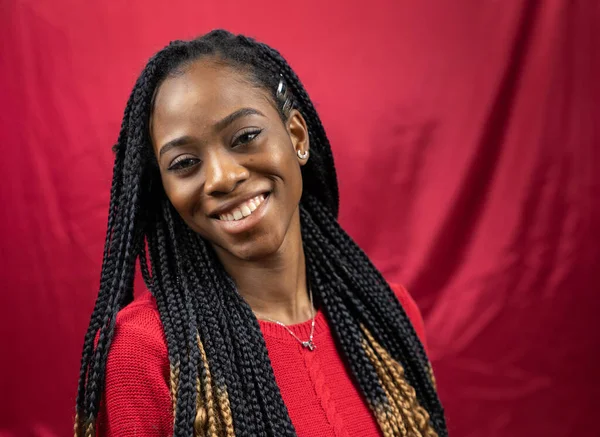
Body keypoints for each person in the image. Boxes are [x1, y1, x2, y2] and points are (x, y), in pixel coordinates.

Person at [74, 30, 447, 437]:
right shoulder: (146, 353)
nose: (222, 177)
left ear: (297, 137)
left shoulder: (387, 317)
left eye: (245, 137)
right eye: (184, 163)